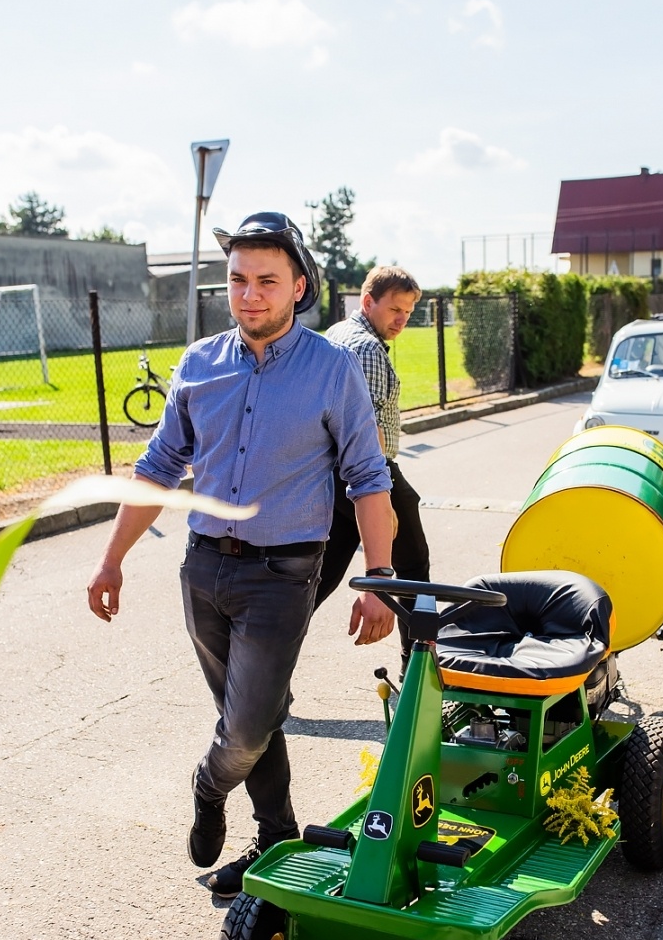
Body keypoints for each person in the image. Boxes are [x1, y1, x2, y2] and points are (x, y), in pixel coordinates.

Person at [87, 212, 395, 898]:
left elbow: (368, 478)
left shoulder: (332, 369)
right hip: (202, 570)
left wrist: (379, 578)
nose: (249, 294)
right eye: (238, 280)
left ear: (299, 287)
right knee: (254, 714)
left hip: (283, 574)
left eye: (267, 281)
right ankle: (276, 835)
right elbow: (158, 467)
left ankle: (208, 784)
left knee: (246, 725)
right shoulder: (200, 364)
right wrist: (112, 560)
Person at [312, 266, 431, 677]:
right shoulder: (367, 349)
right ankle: (417, 675)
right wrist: (383, 499)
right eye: (395, 309)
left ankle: (264, 658)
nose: (402, 320)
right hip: (371, 473)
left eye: (408, 312)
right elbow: (369, 431)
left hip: (331, 473)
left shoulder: (337, 333)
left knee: (319, 577)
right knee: (413, 571)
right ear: (368, 302)